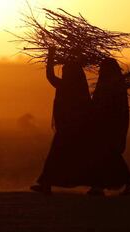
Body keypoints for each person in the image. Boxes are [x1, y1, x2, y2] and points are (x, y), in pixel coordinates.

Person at [30, 47, 92, 194]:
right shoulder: (80, 88)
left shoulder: (66, 86)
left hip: (68, 128)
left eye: (66, 72)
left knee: (57, 155)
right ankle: (95, 186)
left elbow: (50, 76)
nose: (64, 74)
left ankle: (46, 184)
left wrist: (51, 56)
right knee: (81, 156)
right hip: (77, 128)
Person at [87, 58, 130, 196]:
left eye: (102, 68)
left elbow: (105, 106)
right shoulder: (114, 83)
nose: (99, 71)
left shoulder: (111, 85)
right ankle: (99, 186)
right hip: (110, 126)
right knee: (106, 156)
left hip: (108, 127)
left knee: (108, 155)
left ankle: (126, 184)